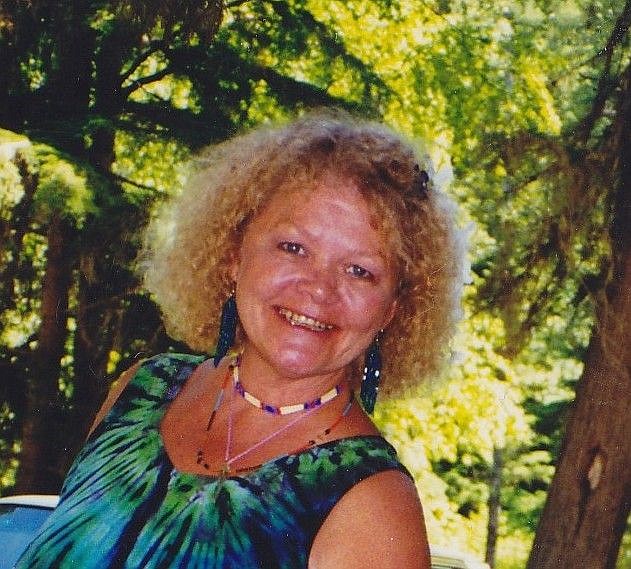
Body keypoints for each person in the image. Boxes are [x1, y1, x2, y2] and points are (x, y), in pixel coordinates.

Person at [17, 110, 464, 568]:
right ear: (233, 254)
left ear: (393, 309)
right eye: (294, 248)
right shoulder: (140, 392)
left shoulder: (373, 507)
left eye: (359, 271)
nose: (318, 288)